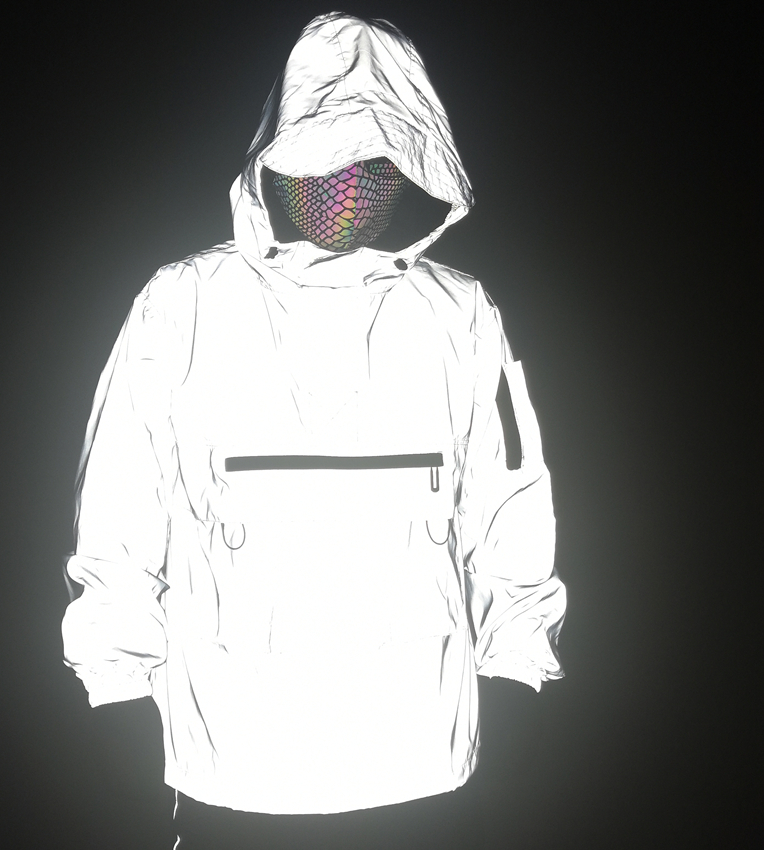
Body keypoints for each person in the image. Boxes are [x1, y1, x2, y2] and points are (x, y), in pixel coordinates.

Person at [62, 13, 566, 849]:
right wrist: (115, 694)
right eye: (327, 162)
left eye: (373, 167)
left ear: (416, 166)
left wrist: (516, 668)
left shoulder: (459, 314)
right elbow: (119, 512)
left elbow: (511, 501)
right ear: (279, 158)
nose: (348, 190)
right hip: (235, 776)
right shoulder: (182, 305)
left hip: (422, 773)